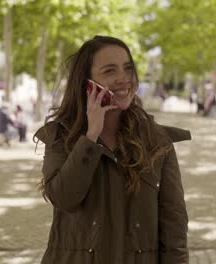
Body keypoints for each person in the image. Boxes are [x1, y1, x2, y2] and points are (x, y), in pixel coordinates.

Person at [34, 36, 190, 264]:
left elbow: (174, 224)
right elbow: (64, 198)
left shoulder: (156, 140)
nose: (123, 79)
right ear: (86, 83)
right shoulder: (60, 136)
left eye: (128, 69)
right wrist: (90, 137)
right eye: (109, 71)